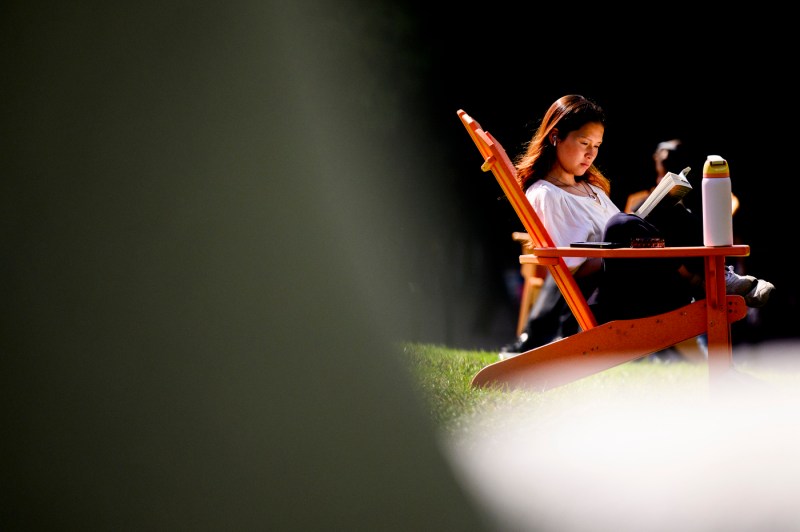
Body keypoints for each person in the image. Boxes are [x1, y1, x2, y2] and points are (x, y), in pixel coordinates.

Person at [500, 94, 773, 359]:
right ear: (555, 136)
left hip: (643, 283)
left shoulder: (589, 186)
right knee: (622, 224)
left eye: (597, 146)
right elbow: (576, 268)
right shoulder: (546, 194)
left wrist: (638, 240)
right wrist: (629, 247)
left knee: (666, 209)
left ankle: (716, 277)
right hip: (608, 300)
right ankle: (701, 280)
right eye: (584, 143)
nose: (590, 154)